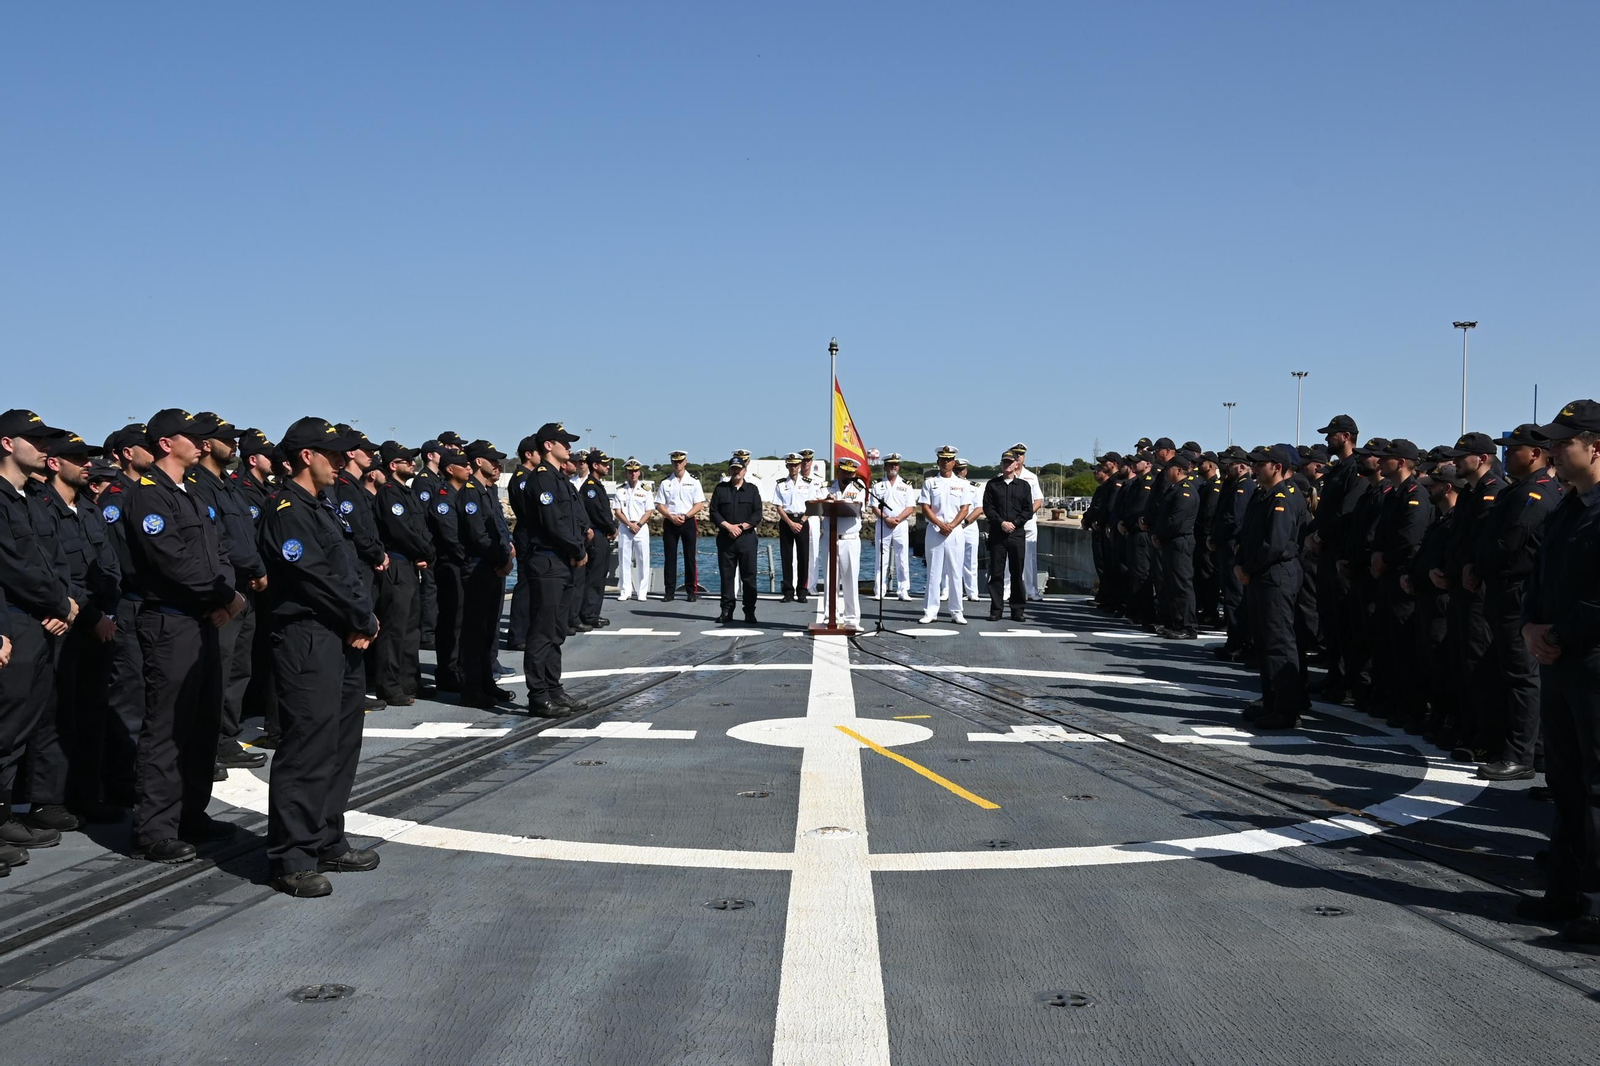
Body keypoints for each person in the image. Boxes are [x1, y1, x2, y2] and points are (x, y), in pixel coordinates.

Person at [257, 417, 381, 898]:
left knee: (341, 744)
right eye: (332, 453)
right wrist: (361, 617)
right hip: (308, 637)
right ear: (306, 456)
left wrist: (363, 618)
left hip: (342, 636)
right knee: (308, 746)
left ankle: (327, 838)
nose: (342, 461)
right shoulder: (288, 511)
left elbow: (347, 570)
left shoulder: (323, 506)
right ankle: (292, 857)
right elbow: (313, 578)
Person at [125, 409, 246, 863]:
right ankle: (155, 829)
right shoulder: (149, 496)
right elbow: (173, 561)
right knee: (168, 727)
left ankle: (191, 814)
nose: (201, 444)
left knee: (202, 723)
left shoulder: (190, 493)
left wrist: (227, 594)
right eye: (192, 438)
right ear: (165, 443)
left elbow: (219, 553)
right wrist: (225, 596)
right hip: (171, 622)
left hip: (204, 619)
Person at [1517, 398, 1600, 944]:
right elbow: (1539, 577)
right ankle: (1565, 892)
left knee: (1596, 786)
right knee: (1565, 781)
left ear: (1596, 447)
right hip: (1560, 661)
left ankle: (1596, 905)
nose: (1553, 450)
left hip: (1592, 661)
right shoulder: (1567, 508)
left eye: (1564, 442)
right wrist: (1530, 626)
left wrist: (1557, 635)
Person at [24, 432, 121, 827]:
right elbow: (51, 570)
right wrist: (88, 614)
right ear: (54, 463)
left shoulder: (90, 510)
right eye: (77, 458)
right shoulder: (40, 508)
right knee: (55, 714)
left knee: (93, 711)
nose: (86, 465)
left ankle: (86, 794)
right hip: (64, 623)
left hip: (98, 623)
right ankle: (47, 801)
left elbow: (109, 568)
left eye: (87, 458)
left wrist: (106, 613)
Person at [0, 411, 76, 854]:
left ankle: (6, 816)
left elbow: (55, 558)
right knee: (5, 728)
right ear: (7, 444)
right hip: (15, 621)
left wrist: (65, 604)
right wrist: (58, 603)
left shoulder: (31, 497)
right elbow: (12, 566)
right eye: (36, 440)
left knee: (23, 727)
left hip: (43, 622)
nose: (46, 447)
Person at [181, 413, 271, 778]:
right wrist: (255, 566)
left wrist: (256, 568)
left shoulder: (229, 485)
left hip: (245, 589)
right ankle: (209, 742)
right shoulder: (197, 485)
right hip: (223, 590)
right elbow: (219, 541)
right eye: (225, 439)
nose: (232, 444)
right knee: (216, 670)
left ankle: (225, 737)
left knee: (237, 669)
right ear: (206, 444)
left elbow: (247, 535)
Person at [1235, 444, 1309, 731]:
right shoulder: (1263, 495)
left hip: (1276, 575)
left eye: (1260, 464)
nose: (1254, 469)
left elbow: (1275, 544)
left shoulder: (1283, 497)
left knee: (1279, 644)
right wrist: (1240, 563)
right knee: (1264, 643)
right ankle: (1271, 701)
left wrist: (1248, 568)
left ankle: (1286, 709)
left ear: (1277, 467)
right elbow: (1248, 536)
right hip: (1260, 574)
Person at [517, 423, 589, 717]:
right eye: (564, 442)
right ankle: (538, 695)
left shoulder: (560, 480)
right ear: (548, 445)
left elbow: (575, 519)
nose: (569, 447)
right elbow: (552, 524)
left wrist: (579, 545)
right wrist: (577, 550)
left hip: (562, 563)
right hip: (547, 562)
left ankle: (553, 688)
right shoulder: (542, 479)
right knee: (542, 630)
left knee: (556, 631)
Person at [1371, 439, 1434, 729]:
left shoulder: (1415, 494)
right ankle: (1392, 701)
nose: (1380, 462)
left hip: (1402, 576)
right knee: (1388, 643)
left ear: (1401, 462)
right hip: (1387, 575)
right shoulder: (1394, 494)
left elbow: (1410, 538)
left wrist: (1385, 558)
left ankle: (1411, 707)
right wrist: (1377, 554)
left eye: (1386, 458)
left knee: (1405, 646)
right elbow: (1382, 533)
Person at [372, 441, 435, 707]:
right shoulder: (389, 494)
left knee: (411, 628)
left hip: (411, 564)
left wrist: (425, 553)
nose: (412, 463)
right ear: (392, 465)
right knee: (394, 629)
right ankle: (389, 686)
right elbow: (401, 531)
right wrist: (426, 552)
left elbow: (421, 529)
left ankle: (409, 681)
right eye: (406, 460)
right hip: (397, 564)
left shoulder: (406, 493)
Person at [453, 443, 513, 708]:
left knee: (489, 630)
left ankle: (487, 682)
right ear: (478, 462)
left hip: (492, 567)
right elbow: (478, 535)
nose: (497, 465)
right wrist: (501, 560)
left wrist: (506, 555)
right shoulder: (470, 493)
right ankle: (472, 688)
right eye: (493, 460)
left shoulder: (487, 492)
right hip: (478, 568)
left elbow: (499, 530)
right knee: (475, 632)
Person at [919, 445, 971, 625]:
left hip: (955, 531)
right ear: (938, 461)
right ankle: (930, 611)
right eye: (943, 459)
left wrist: (952, 525)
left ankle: (957, 611)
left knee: (955, 572)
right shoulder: (930, 483)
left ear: (954, 462)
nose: (946, 462)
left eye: (949, 460)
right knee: (933, 572)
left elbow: (965, 509)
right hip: (935, 530)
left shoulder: (963, 484)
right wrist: (940, 524)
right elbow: (925, 507)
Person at [1152, 453, 1200, 639]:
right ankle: (1175, 622)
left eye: (1168, 469)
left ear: (1179, 470)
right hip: (1170, 541)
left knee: (1181, 584)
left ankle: (1188, 626)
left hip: (1180, 542)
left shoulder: (1185, 492)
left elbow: (1175, 521)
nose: (1165, 472)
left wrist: (1159, 535)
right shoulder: (1174, 489)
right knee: (1171, 584)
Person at [710, 456, 763, 624]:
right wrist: (728, 527)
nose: (736, 472)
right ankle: (726, 610)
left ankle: (749, 611)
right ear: (729, 470)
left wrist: (741, 527)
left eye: (739, 469)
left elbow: (757, 514)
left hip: (747, 539)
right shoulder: (721, 489)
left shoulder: (752, 490)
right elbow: (714, 512)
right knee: (727, 576)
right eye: (733, 468)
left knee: (749, 577)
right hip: (726, 539)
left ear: (744, 470)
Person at [982, 450, 1032, 622]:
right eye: (1005, 462)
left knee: (1017, 573)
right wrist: (1001, 523)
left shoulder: (1024, 486)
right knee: (996, 573)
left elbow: (1028, 510)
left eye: (1010, 462)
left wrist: (1015, 523)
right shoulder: (992, 485)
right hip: (998, 534)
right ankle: (996, 610)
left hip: (1016, 534)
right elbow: (988, 508)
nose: (1007, 465)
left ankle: (1017, 610)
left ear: (1016, 464)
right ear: (1001, 464)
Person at [823, 457, 869, 628]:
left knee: (850, 580)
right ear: (839, 471)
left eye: (850, 473)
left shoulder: (859, 487)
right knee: (830, 580)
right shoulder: (826, 486)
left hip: (849, 539)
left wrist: (839, 503)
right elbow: (817, 501)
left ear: (854, 474)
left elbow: (858, 507)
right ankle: (830, 617)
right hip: (830, 538)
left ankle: (852, 619)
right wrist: (826, 499)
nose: (847, 476)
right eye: (844, 472)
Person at [655, 450, 705, 602]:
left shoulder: (694, 481)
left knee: (690, 557)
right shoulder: (666, 482)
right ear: (672, 462)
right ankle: (669, 591)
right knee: (670, 558)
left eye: (680, 461)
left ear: (685, 462)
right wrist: (670, 516)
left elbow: (699, 504)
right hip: (670, 521)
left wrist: (686, 516)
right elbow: (659, 504)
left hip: (688, 521)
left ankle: (691, 591)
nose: (677, 464)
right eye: (675, 461)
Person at [575, 450, 616, 630]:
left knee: (600, 576)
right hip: (596, 536)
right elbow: (598, 513)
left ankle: (593, 613)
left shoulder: (597, 485)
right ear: (595, 465)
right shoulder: (590, 488)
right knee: (594, 577)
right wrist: (612, 528)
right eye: (604, 464)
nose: (607, 467)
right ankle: (589, 615)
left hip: (601, 536)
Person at [412, 440, 444, 650]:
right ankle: (428, 633)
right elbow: (423, 515)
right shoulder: (424, 481)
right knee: (430, 588)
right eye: (440, 453)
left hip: (440, 541)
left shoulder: (438, 478)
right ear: (430, 456)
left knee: (438, 587)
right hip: (431, 541)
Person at [871, 454, 916, 600]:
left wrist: (897, 519)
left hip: (900, 524)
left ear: (899, 467)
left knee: (902, 558)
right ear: (885, 467)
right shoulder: (877, 485)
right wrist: (886, 518)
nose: (893, 467)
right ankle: (880, 589)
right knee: (881, 558)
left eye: (896, 464)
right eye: (890, 464)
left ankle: (903, 590)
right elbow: (874, 507)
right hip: (883, 523)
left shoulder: (906, 485)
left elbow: (910, 507)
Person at [613, 458, 653, 601]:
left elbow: (649, 511)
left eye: (635, 471)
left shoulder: (646, 490)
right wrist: (630, 525)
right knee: (624, 560)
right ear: (626, 473)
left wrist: (638, 525)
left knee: (643, 560)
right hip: (625, 527)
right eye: (630, 471)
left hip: (641, 528)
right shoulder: (620, 490)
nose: (633, 474)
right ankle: (625, 591)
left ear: (639, 472)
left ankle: (642, 592)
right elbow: (617, 511)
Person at [772, 453, 810, 602]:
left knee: (803, 557)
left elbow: (811, 505)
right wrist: (790, 523)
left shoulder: (808, 483)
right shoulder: (781, 484)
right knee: (786, 557)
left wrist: (801, 522)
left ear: (800, 465)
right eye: (790, 465)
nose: (793, 467)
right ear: (786, 466)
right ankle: (788, 591)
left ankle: (802, 591)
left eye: (795, 465)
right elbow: (778, 506)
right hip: (787, 521)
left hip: (802, 520)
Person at [1010, 443, 1045, 601]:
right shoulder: (1004, 476)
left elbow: (1038, 500)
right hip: (1010, 522)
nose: (1018, 457)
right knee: (1008, 557)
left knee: (1030, 557)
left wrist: (1025, 515)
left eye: (1021, 454)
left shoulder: (1031, 477)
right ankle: (1007, 590)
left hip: (1027, 522)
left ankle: (1032, 591)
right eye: (1015, 454)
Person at [956, 458, 984, 601]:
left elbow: (979, 509)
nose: (959, 472)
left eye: (962, 469)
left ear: (966, 471)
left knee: (971, 560)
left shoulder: (974, 487)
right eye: (957, 469)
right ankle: (947, 590)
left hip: (969, 526)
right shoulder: (948, 485)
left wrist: (965, 522)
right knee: (949, 561)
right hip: (952, 526)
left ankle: (972, 592)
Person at [799, 448, 825, 594]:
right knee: (796, 554)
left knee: (813, 553)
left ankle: (811, 585)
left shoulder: (817, 480)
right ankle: (797, 585)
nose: (805, 463)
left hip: (813, 518)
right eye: (803, 460)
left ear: (811, 461)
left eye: (808, 460)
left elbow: (821, 498)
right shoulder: (794, 479)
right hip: (798, 518)